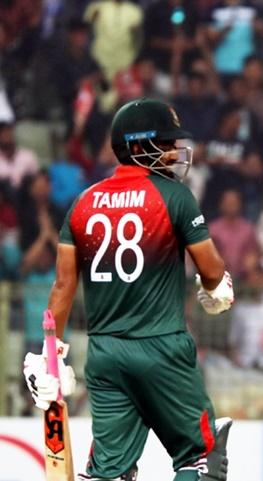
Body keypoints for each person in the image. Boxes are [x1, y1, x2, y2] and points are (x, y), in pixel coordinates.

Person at [22, 98, 235, 481]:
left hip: (105, 355)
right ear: (138, 147)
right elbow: (212, 269)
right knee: (202, 459)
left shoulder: (83, 203)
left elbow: (63, 285)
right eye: (165, 144)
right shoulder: (174, 196)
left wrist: (47, 352)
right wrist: (216, 290)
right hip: (162, 348)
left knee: (109, 471)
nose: (174, 152)